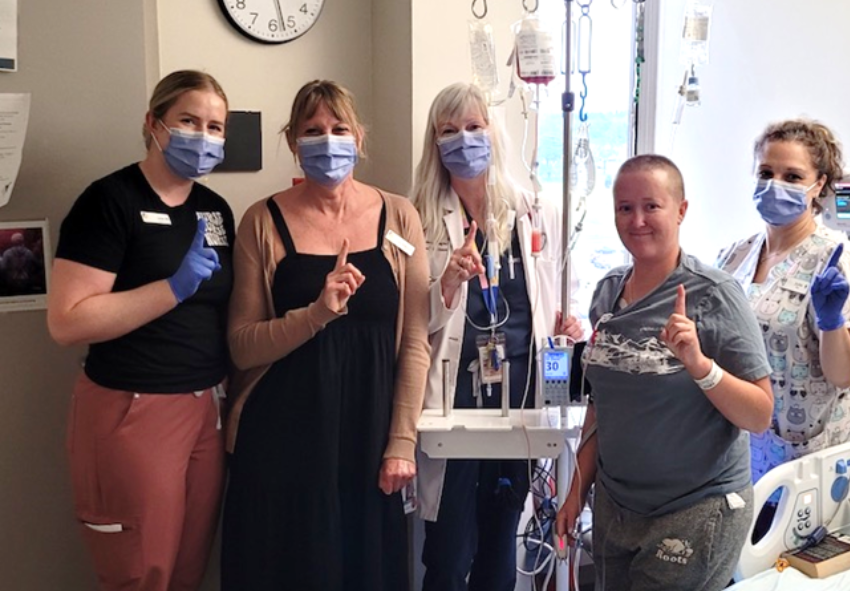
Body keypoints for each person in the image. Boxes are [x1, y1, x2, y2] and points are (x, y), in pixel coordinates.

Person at [221, 80, 430, 591]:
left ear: (359, 137)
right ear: (293, 140)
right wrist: (315, 312)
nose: (328, 141)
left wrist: (401, 440)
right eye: (313, 131)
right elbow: (241, 344)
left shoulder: (399, 215)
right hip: (282, 438)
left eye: (339, 129)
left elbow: (415, 341)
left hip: (369, 432)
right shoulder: (262, 221)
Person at [48, 70, 234, 591]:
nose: (203, 136)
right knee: (139, 571)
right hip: (133, 407)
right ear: (153, 124)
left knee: (188, 567)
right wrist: (172, 288)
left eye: (215, 127)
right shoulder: (109, 201)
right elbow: (66, 321)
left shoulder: (214, 210)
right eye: (189, 121)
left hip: (205, 408)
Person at [556, 154, 773, 591]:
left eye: (651, 206)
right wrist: (578, 487)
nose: (637, 220)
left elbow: (760, 415)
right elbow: (603, 407)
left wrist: (700, 365)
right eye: (624, 208)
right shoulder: (608, 293)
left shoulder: (714, 295)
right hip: (617, 508)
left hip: (693, 509)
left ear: (681, 210)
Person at [410, 82, 583, 591]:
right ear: (434, 142)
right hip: (452, 400)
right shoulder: (417, 218)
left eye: (474, 127)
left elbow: (554, 300)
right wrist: (445, 285)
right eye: (449, 130)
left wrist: (568, 329)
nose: (463, 140)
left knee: (500, 539)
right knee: (446, 552)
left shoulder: (536, 212)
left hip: (520, 398)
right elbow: (405, 320)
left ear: (494, 133)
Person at [715, 119, 850, 489]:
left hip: (813, 456)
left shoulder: (834, 257)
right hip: (748, 450)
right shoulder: (734, 257)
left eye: (793, 176)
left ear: (818, 185)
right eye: (766, 172)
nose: (775, 185)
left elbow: (845, 375)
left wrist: (832, 323)